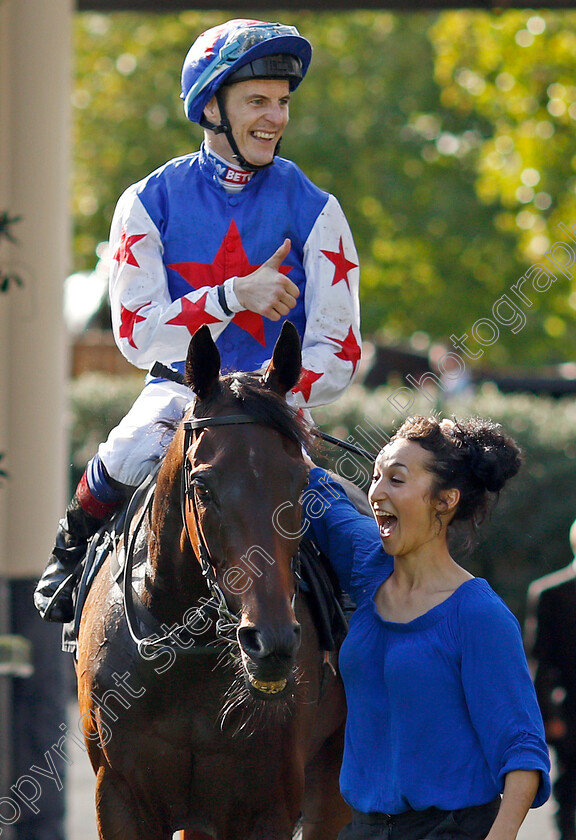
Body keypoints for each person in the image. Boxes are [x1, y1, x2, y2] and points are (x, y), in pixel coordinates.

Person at [34, 18, 360, 623]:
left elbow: (339, 352)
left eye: (283, 102)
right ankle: (72, 548)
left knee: (360, 543)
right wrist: (234, 294)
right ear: (211, 105)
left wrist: (265, 395)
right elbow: (138, 338)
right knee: (130, 447)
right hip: (178, 394)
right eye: (257, 101)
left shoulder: (318, 209)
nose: (276, 117)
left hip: (276, 409)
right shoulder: (146, 201)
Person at [302, 415, 550, 840]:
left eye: (396, 480)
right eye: (375, 477)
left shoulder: (478, 615)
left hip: (452, 831)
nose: (376, 493)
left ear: (445, 500)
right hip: (363, 829)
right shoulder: (368, 567)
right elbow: (319, 492)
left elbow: (522, 753)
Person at [525, 519, 576, 840]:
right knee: (568, 793)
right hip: (570, 711)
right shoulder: (551, 594)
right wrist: (549, 717)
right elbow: (539, 662)